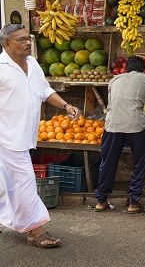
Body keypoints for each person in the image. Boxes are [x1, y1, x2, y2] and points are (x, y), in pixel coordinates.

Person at [0, 24, 81, 248]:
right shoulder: (1, 68)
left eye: (29, 39)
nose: (27, 43)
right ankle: (36, 231)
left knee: (11, 185)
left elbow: (45, 91)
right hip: (6, 138)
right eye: (21, 39)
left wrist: (66, 105)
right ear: (7, 44)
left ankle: (13, 220)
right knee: (24, 183)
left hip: (26, 136)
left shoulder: (33, 64)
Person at [94, 56, 145, 213]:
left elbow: (114, 103)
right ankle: (134, 204)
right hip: (135, 125)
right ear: (144, 69)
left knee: (108, 162)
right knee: (139, 162)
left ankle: (101, 201)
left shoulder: (114, 80)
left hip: (112, 124)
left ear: (126, 68)